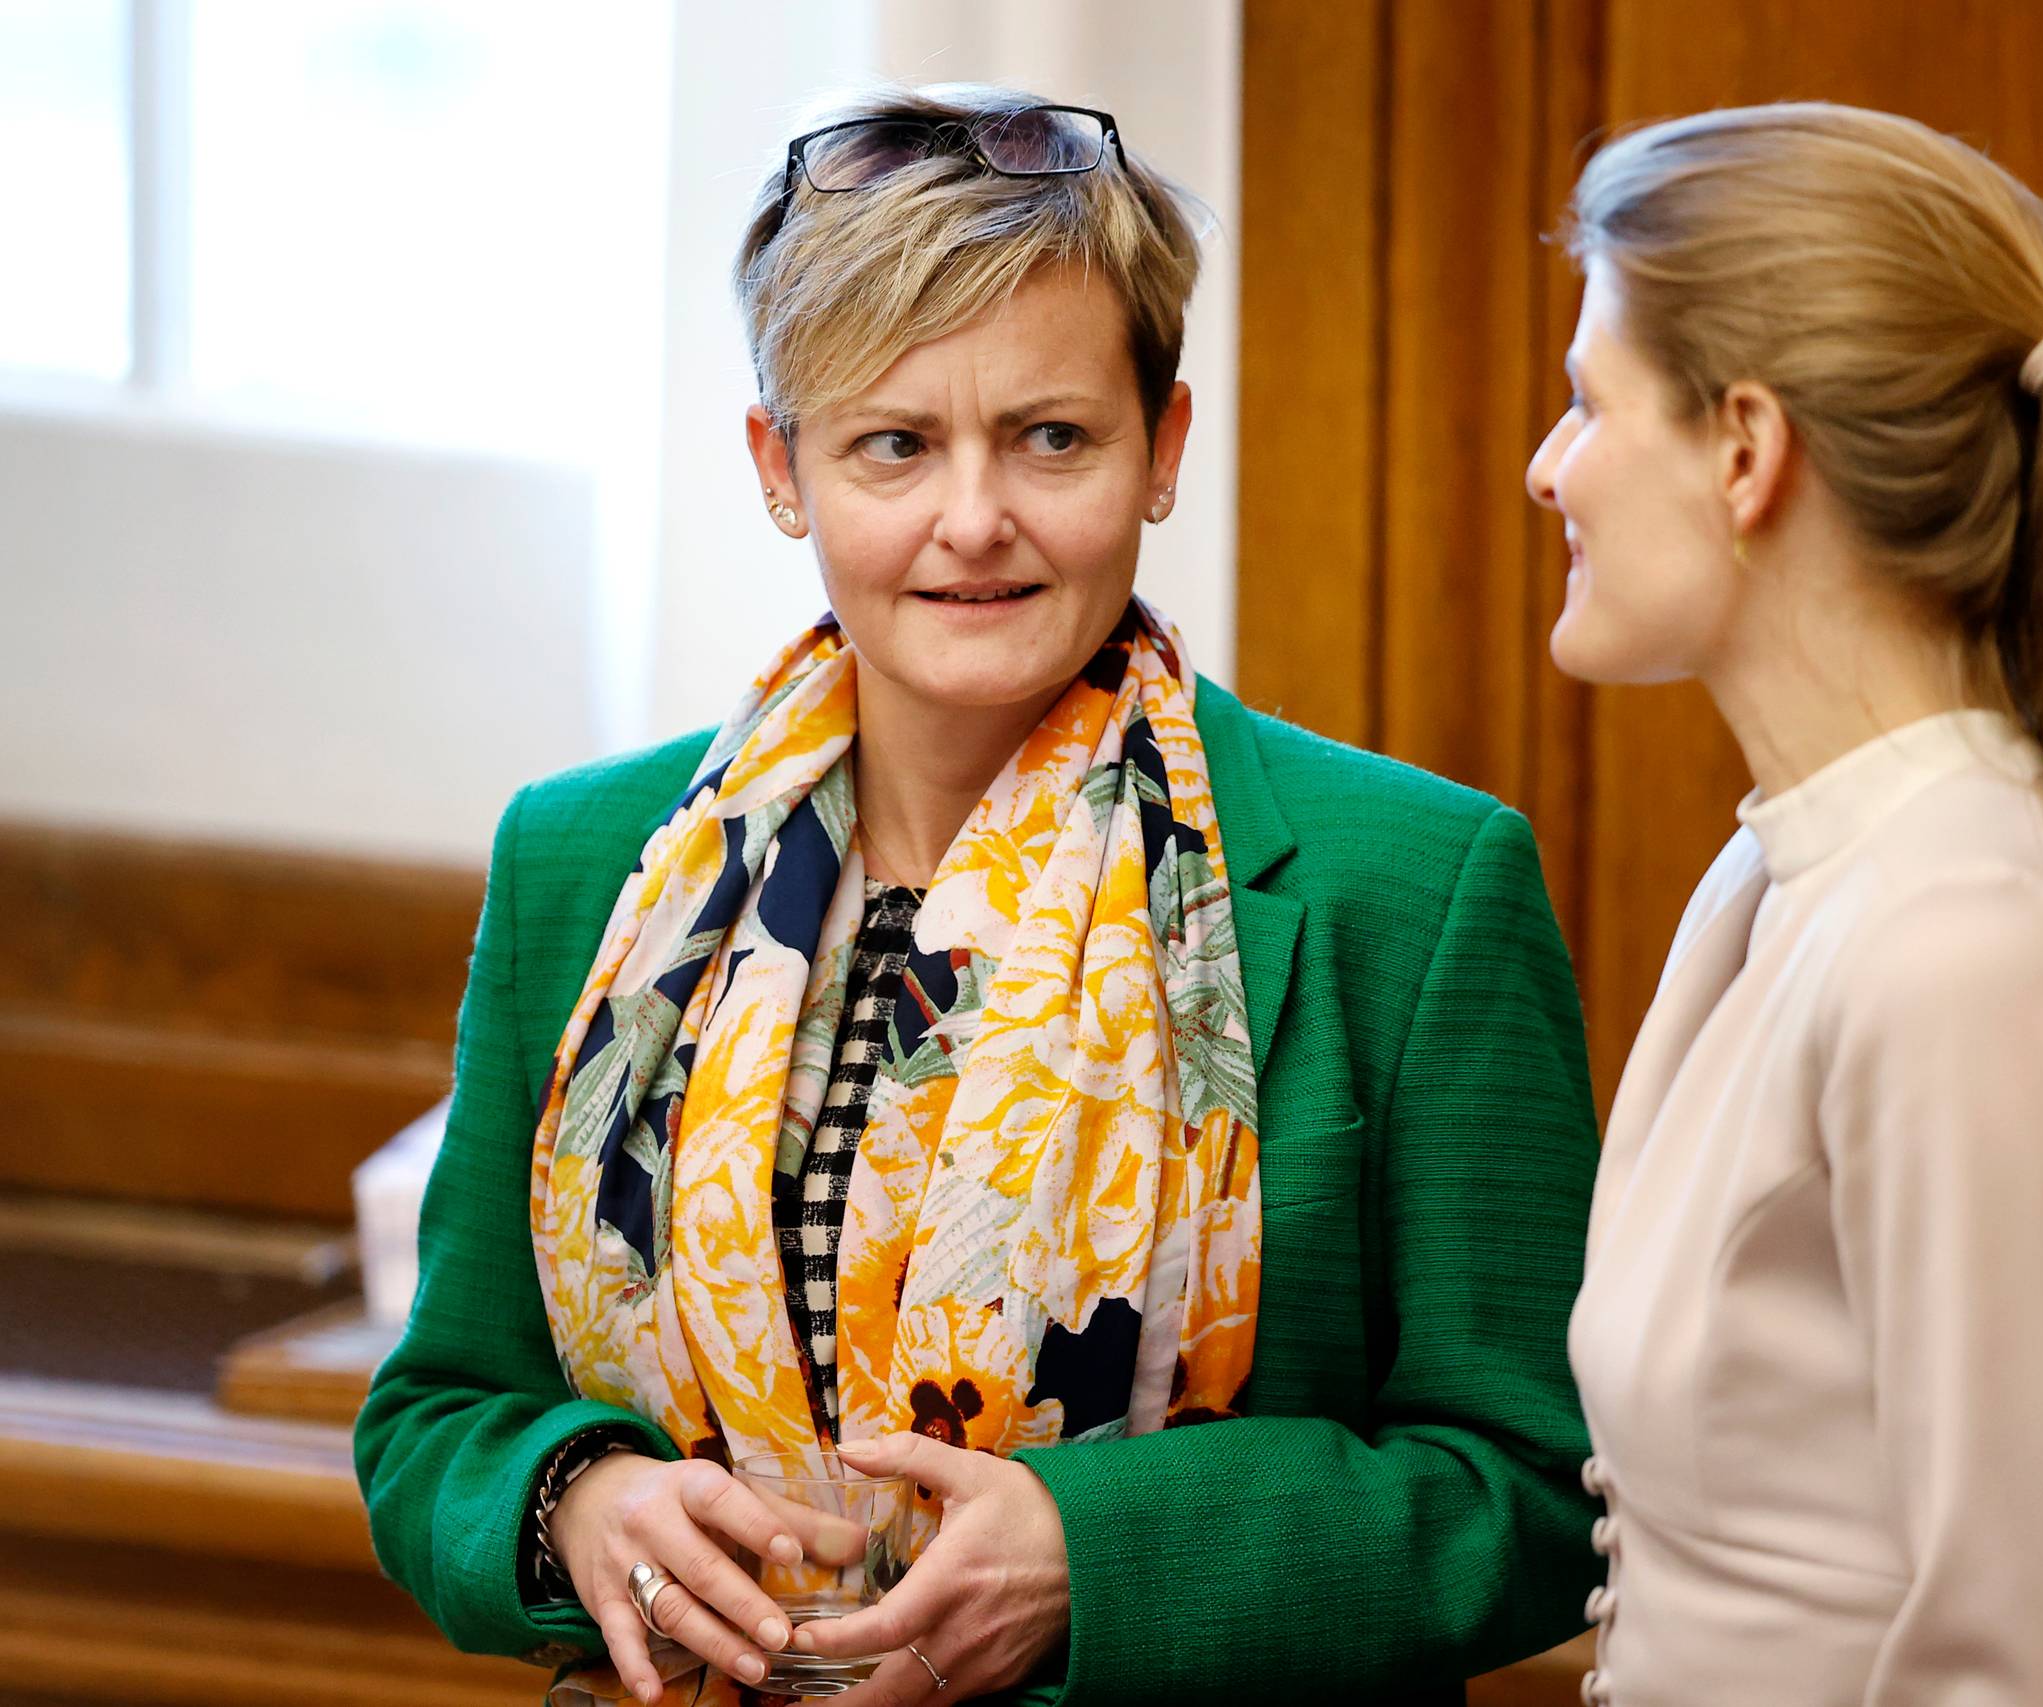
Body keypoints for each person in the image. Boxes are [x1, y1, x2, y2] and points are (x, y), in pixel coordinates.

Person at [357, 85, 1601, 1707]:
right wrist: (574, 1500)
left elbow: (1534, 1487)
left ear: (1164, 447)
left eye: (1052, 436)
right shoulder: (577, 862)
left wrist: (1099, 1560)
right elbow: (437, 1411)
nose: (974, 520)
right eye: (894, 443)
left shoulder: (1417, 887)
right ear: (779, 466)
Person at [1526, 103, 2043, 1706]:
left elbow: (2023, 1672)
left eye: (1587, 405)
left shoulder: (1976, 945)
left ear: (1747, 451)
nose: (1551, 471)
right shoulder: (1779, 873)